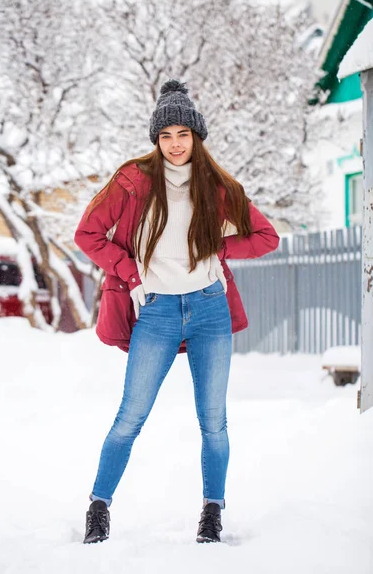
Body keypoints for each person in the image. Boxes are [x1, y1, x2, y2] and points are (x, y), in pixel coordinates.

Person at [74, 79, 279, 545]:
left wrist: (218, 243)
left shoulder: (219, 187)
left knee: (214, 421)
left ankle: (212, 510)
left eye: (182, 134)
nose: (174, 144)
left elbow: (267, 238)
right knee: (130, 417)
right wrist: (128, 273)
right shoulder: (133, 180)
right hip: (158, 312)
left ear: (197, 136)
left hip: (210, 310)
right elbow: (88, 234)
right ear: (156, 139)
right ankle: (99, 506)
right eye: (165, 135)